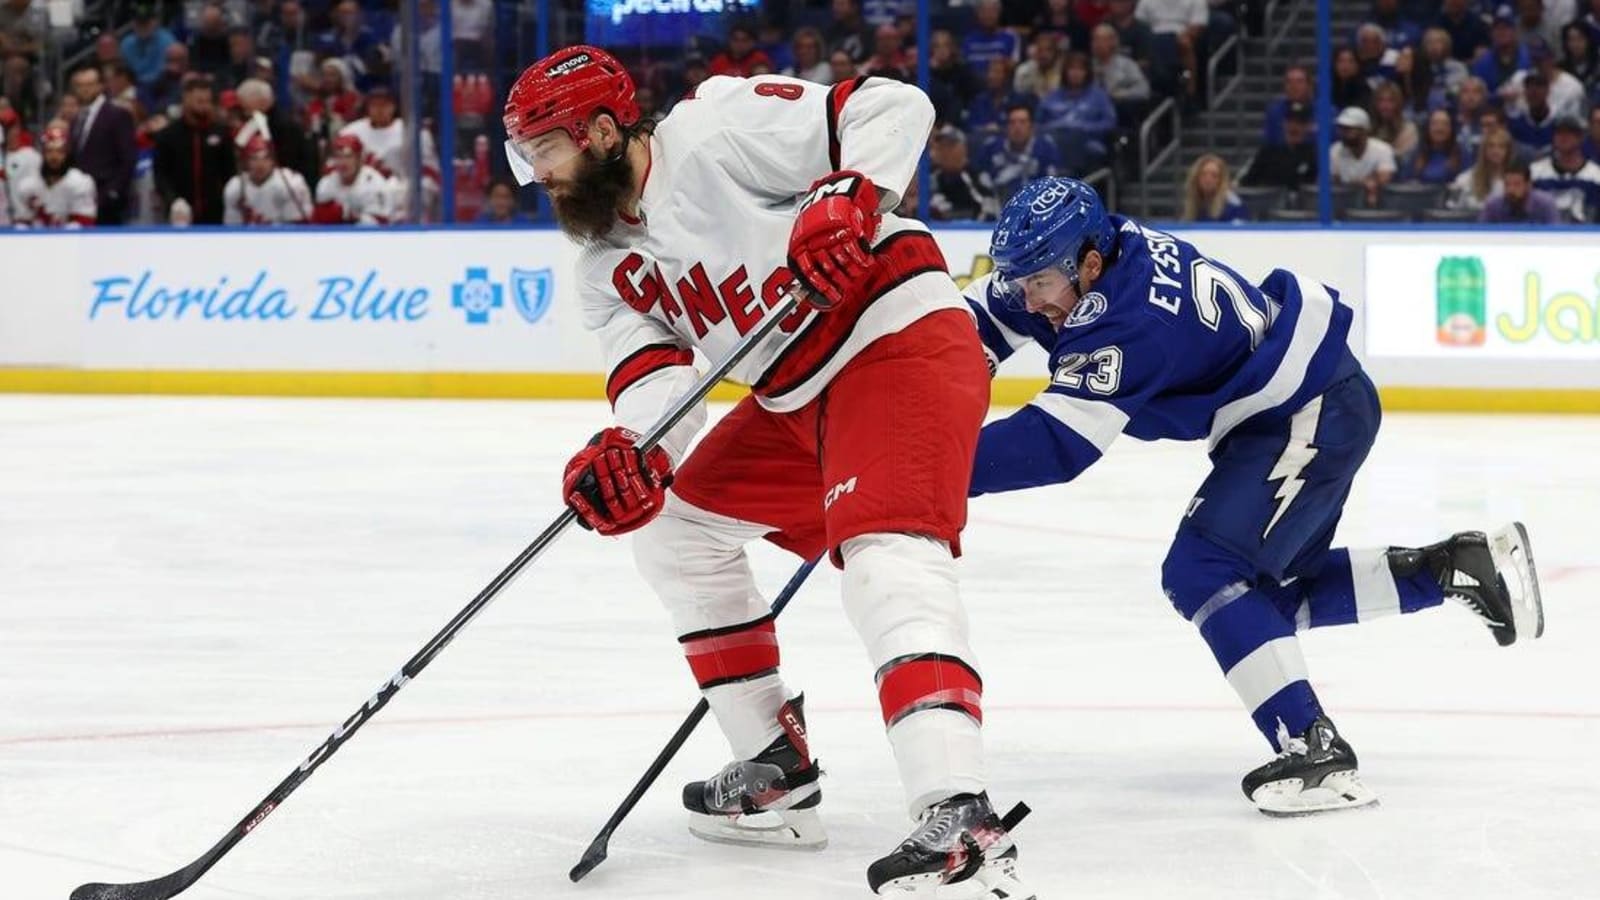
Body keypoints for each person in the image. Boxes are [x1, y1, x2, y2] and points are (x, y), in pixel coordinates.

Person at [502, 45, 1029, 897]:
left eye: (546, 151)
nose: (539, 177)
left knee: (884, 553)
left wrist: (853, 196)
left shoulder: (715, 128)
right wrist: (634, 456)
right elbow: (662, 389)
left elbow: (894, 107)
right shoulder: (604, 268)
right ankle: (775, 765)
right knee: (675, 526)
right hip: (794, 397)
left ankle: (958, 808)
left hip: (898, 339)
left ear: (602, 131)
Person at [965, 176, 1545, 816]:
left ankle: (1315, 752)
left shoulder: (1127, 324)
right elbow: (985, 319)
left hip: (1308, 412)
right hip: (1297, 409)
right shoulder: (1090, 251)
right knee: (1261, 604)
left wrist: (923, 468)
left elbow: (1057, 444)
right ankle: (1456, 568)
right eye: (1021, 280)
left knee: (1203, 571)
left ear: (1089, 265)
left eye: (1039, 283)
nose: (1029, 297)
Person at [339, 85, 440, 220]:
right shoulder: (350, 132)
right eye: (374, 105)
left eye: (384, 105)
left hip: (402, 196)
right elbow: (336, 169)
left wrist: (409, 194)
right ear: (367, 107)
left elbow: (431, 174)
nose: (379, 110)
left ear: (394, 106)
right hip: (362, 197)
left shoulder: (414, 133)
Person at [152, 75, 232, 224]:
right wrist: (173, 200)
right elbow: (160, 174)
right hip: (179, 212)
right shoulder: (168, 135)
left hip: (215, 214)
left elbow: (229, 173)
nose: (205, 106)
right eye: (199, 101)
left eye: (208, 101)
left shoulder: (221, 133)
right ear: (186, 99)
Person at [67, 64, 137, 225]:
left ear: (100, 86)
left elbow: (128, 158)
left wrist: (114, 191)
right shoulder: (76, 118)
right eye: (79, 86)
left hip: (107, 196)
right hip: (80, 198)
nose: (84, 90)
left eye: (89, 85)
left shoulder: (117, 115)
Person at [1037, 52, 1116, 174]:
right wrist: (1057, 126)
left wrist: (1083, 127)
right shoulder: (1052, 97)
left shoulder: (1099, 96)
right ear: (1065, 72)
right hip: (1054, 141)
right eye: (1072, 69)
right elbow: (1037, 124)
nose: (1075, 73)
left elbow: (1109, 123)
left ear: (1087, 72)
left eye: (1080, 69)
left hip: (1087, 142)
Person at [13, 122, 96, 227]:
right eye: (49, 151)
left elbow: (85, 223)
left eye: (59, 151)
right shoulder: (29, 184)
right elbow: (22, 222)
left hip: (71, 241)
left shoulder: (80, 183)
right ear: (43, 153)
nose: (54, 156)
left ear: (66, 154)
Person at [978, 104, 1060, 203]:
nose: (1017, 127)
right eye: (1012, 122)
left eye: (1023, 122)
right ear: (1006, 127)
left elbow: (1052, 183)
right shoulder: (991, 147)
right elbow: (981, 178)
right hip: (998, 206)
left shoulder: (1046, 148)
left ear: (1031, 126)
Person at [223, 134, 312, 224]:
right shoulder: (235, 187)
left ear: (273, 160)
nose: (260, 164)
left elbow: (297, 228)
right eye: (254, 158)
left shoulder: (290, 183)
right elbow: (232, 229)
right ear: (245, 162)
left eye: (266, 158)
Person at [1531, 114, 1600, 220]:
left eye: (1569, 133)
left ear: (1581, 137)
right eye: (1559, 133)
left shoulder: (1596, 176)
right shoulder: (1535, 172)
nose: (1563, 137)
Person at [312, 133, 391, 224]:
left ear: (359, 159)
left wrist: (349, 216)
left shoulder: (375, 184)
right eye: (338, 157)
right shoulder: (326, 184)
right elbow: (318, 225)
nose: (342, 162)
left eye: (348, 156)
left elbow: (381, 225)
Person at [1243, 101, 1318, 190]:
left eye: (1300, 123)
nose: (1294, 127)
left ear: (1307, 126)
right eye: (1290, 121)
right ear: (1284, 123)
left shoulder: (1313, 155)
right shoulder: (1268, 152)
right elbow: (1247, 182)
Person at [1330, 105, 1397, 206]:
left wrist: (1369, 183)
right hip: (1344, 203)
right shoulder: (1335, 150)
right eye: (1343, 129)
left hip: (1378, 204)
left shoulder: (1382, 149)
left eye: (1350, 129)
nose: (1345, 133)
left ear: (1364, 130)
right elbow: (1333, 182)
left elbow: (1384, 179)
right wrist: (1363, 183)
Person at [928, 124, 996, 220]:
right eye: (942, 146)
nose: (945, 151)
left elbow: (990, 213)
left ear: (963, 149)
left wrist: (952, 215)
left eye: (950, 146)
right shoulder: (931, 180)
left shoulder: (977, 177)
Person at [1450, 128, 1514, 209]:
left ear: (1508, 151)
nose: (1496, 151)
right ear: (1484, 150)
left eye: (1501, 146)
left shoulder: (1516, 182)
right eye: (1491, 146)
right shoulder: (1465, 179)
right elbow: (1453, 211)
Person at [1480, 158, 1561, 221]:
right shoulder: (1493, 206)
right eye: (1507, 184)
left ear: (1528, 185)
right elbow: (1481, 236)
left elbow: (1556, 237)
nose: (1510, 190)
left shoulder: (1545, 204)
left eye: (1517, 184)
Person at [1472, 7, 1531, 92]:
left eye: (1506, 28)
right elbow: (1478, 94)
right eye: (1497, 28)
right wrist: (1499, 97)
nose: (1501, 32)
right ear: (1491, 33)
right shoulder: (1482, 62)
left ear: (1515, 31)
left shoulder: (1529, 56)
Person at [969, 57, 1030, 138]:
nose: (991, 76)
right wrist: (983, 130)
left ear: (1007, 77)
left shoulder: (1017, 100)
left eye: (996, 72)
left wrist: (1000, 130)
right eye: (989, 72)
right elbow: (970, 127)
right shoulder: (979, 100)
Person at [120, 5, 176, 90]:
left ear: (155, 22)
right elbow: (125, 72)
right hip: (134, 87)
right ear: (133, 23)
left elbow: (166, 72)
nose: (143, 26)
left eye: (146, 22)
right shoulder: (127, 44)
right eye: (139, 22)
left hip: (161, 87)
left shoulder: (167, 41)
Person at [962, 0, 1021, 80]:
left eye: (992, 11)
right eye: (984, 11)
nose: (988, 15)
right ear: (978, 14)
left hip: (1002, 83)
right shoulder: (969, 39)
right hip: (973, 84)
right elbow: (963, 65)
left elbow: (1015, 65)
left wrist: (1002, 63)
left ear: (999, 13)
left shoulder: (1010, 36)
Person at [1407, 108, 1469, 183]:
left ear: (1451, 129)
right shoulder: (1416, 154)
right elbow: (1407, 183)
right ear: (1428, 128)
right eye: (1435, 124)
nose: (1439, 128)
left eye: (1445, 124)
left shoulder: (1462, 154)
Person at [1261, 65, 1315, 147]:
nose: (1294, 86)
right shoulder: (1274, 112)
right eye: (1289, 81)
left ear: (1309, 85)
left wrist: (1307, 132)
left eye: (1299, 81)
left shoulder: (1324, 112)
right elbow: (1268, 143)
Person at [1182, 153, 1247, 221]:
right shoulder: (1191, 203)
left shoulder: (1233, 206)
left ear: (1221, 180)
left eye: (1214, 176)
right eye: (1203, 174)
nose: (1208, 180)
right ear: (1196, 177)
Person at [1370, 81, 1418, 159]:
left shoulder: (1408, 129)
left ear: (1398, 103)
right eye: (1381, 100)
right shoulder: (1369, 127)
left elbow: (1405, 160)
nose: (1385, 106)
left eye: (1390, 101)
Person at [1013, 30, 1064, 99]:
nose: (1044, 55)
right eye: (1040, 50)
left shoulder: (1063, 72)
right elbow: (1019, 97)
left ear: (1055, 52)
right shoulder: (1024, 71)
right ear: (1035, 51)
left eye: (1048, 50)